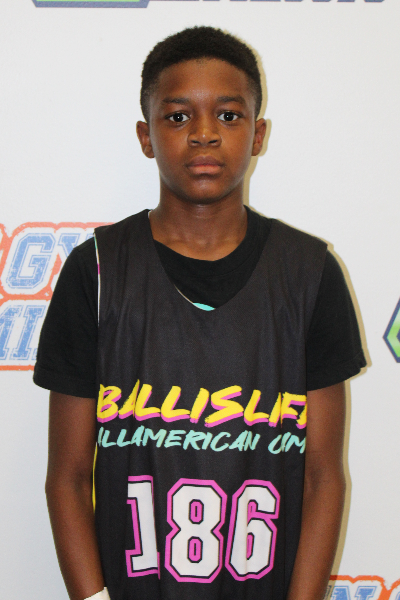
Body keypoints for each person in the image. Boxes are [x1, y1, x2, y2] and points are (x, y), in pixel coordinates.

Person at [34, 26, 366, 600]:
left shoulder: (310, 274)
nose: (205, 133)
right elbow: (66, 477)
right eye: (179, 116)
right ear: (146, 136)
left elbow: (323, 477)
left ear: (258, 135)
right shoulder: (97, 272)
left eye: (229, 116)